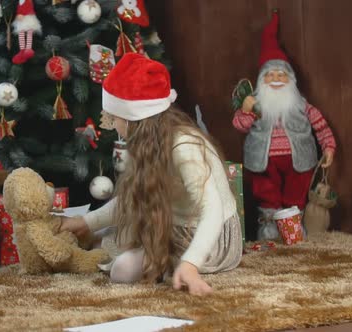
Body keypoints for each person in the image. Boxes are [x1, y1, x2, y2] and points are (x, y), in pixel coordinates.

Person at [61, 53, 243, 296]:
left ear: (133, 119)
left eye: (114, 118)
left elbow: (212, 209)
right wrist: (87, 222)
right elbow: (133, 201)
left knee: (122, 267)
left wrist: (191, 264)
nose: (112, 125)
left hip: (210, 238)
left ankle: (175, 264)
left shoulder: (184, 146)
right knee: (118, 253)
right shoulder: (146, 145)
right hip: (173, 228)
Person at [232, 11, 336, 240]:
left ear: (291, 81)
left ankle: (293, 224)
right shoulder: (255, 104)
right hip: (262, 161)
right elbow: (239, 125)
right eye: (270, 75)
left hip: (299, 160)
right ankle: (270, 226)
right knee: (265, 190)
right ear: (261, 81)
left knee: (296, 190)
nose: (276, 79)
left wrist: (328, 146)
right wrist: (247, 111)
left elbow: (320, 125)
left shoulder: (301, 105)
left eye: (281, 75)